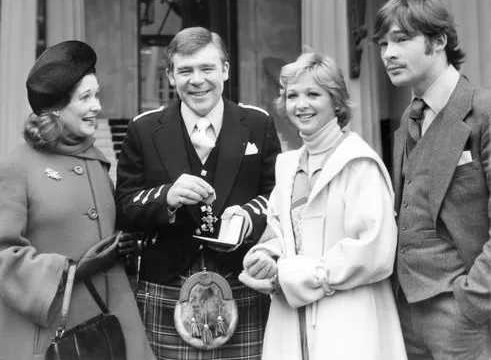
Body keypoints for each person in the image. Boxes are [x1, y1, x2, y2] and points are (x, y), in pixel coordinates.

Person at [115, 26, 281, 360]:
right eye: (185, 70)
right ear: (171, 76)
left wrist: (249, 214)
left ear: (225, 70)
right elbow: (124, 206)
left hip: (242, 281)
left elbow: (277, 194)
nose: (197, 80)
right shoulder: (144, 129)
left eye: (207, 68)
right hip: (166, 284)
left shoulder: (257, 123)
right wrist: (166, 197)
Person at [239, 52, 407, 360]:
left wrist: (301, 277)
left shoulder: (359, 164)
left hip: (349, 322)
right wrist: (266, 255)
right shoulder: (287, 166)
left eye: (313, 94)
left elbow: (375, 250)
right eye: (292, 95)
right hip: (291, 322)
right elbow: (280, 231)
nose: (300, 104)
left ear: (337, 101)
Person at [0, 40, 156, 360]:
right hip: (48, 337)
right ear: (56, 108)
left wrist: (124, 245)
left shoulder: (96, 161)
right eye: (85, 97)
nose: (97, 106)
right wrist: (70, 270)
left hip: (111, 327)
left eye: (97, 95)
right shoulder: (17, 165)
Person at [373, 0, 491, 359]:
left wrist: (474, 300)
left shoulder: (483, 111)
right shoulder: (405, 125)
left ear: (439, 41)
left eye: (401, 39)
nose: (388, 54)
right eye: (383, 44)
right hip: (404, 313)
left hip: (463, 314)